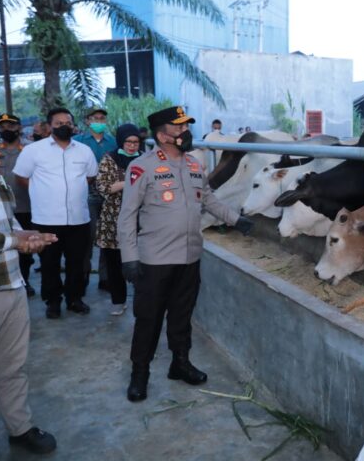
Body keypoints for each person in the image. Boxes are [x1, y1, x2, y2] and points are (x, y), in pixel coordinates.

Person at [118, 106, 253, 402]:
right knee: (149, 319)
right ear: (162, 135)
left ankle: (180, 364)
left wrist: (235, 219)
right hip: (154, 260)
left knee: (182, 315)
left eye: (186, 127)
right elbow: (127, 215)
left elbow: (209, 200)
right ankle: (139, 373)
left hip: (189, 257)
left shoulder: (193, 165)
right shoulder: (143, 167)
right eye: (178, 127)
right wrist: (129, 257)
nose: (184, 132)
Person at [0, 86, 59, 455]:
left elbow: (0, 222)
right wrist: (14, 242)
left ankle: (20, 427)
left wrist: (24, 235)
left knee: (13, 367)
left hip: (9, 282)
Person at [13, 107, 98, 319]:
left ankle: (75, 299)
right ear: (49, 126)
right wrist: (42, 193)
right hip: (46, 219)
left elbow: (89, 177)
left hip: (78, 219)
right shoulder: (34, 150)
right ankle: (52, 302)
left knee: (77, 263)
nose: (64, 126)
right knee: (49, 264)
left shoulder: (84, 150)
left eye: (67, 122)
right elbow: (21, 178)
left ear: (73, 125)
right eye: (59, 123)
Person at [0, 113, 36, 297]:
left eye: (11, 126)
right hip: (2, 211)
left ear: (19, 127)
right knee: (7, 246)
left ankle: (25, 280)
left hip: (27, 206)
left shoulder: (30, 149)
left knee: (26, 249)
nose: (7, 130)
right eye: (2, 126)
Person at [95, 124, 142, 316]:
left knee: (142, 262)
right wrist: (130, 182)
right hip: (113, 218)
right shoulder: (109, 159)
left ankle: (142, 300)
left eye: (135, 142)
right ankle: (118, 300)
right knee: (115, 264)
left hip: (141, 218)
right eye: (128, 142)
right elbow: (103, 188)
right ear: (121, 141)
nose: (132, 146)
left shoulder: (145, 159)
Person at [74, 108, 117, 291]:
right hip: (87, 193)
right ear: (87, 121)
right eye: (95, 118)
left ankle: (105, 277)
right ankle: (82, 274)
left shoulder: (113, 142)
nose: (99, 121)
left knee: (107, 234)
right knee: (87, 236)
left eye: (102, 118)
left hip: (110, 193)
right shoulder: (78, 142)